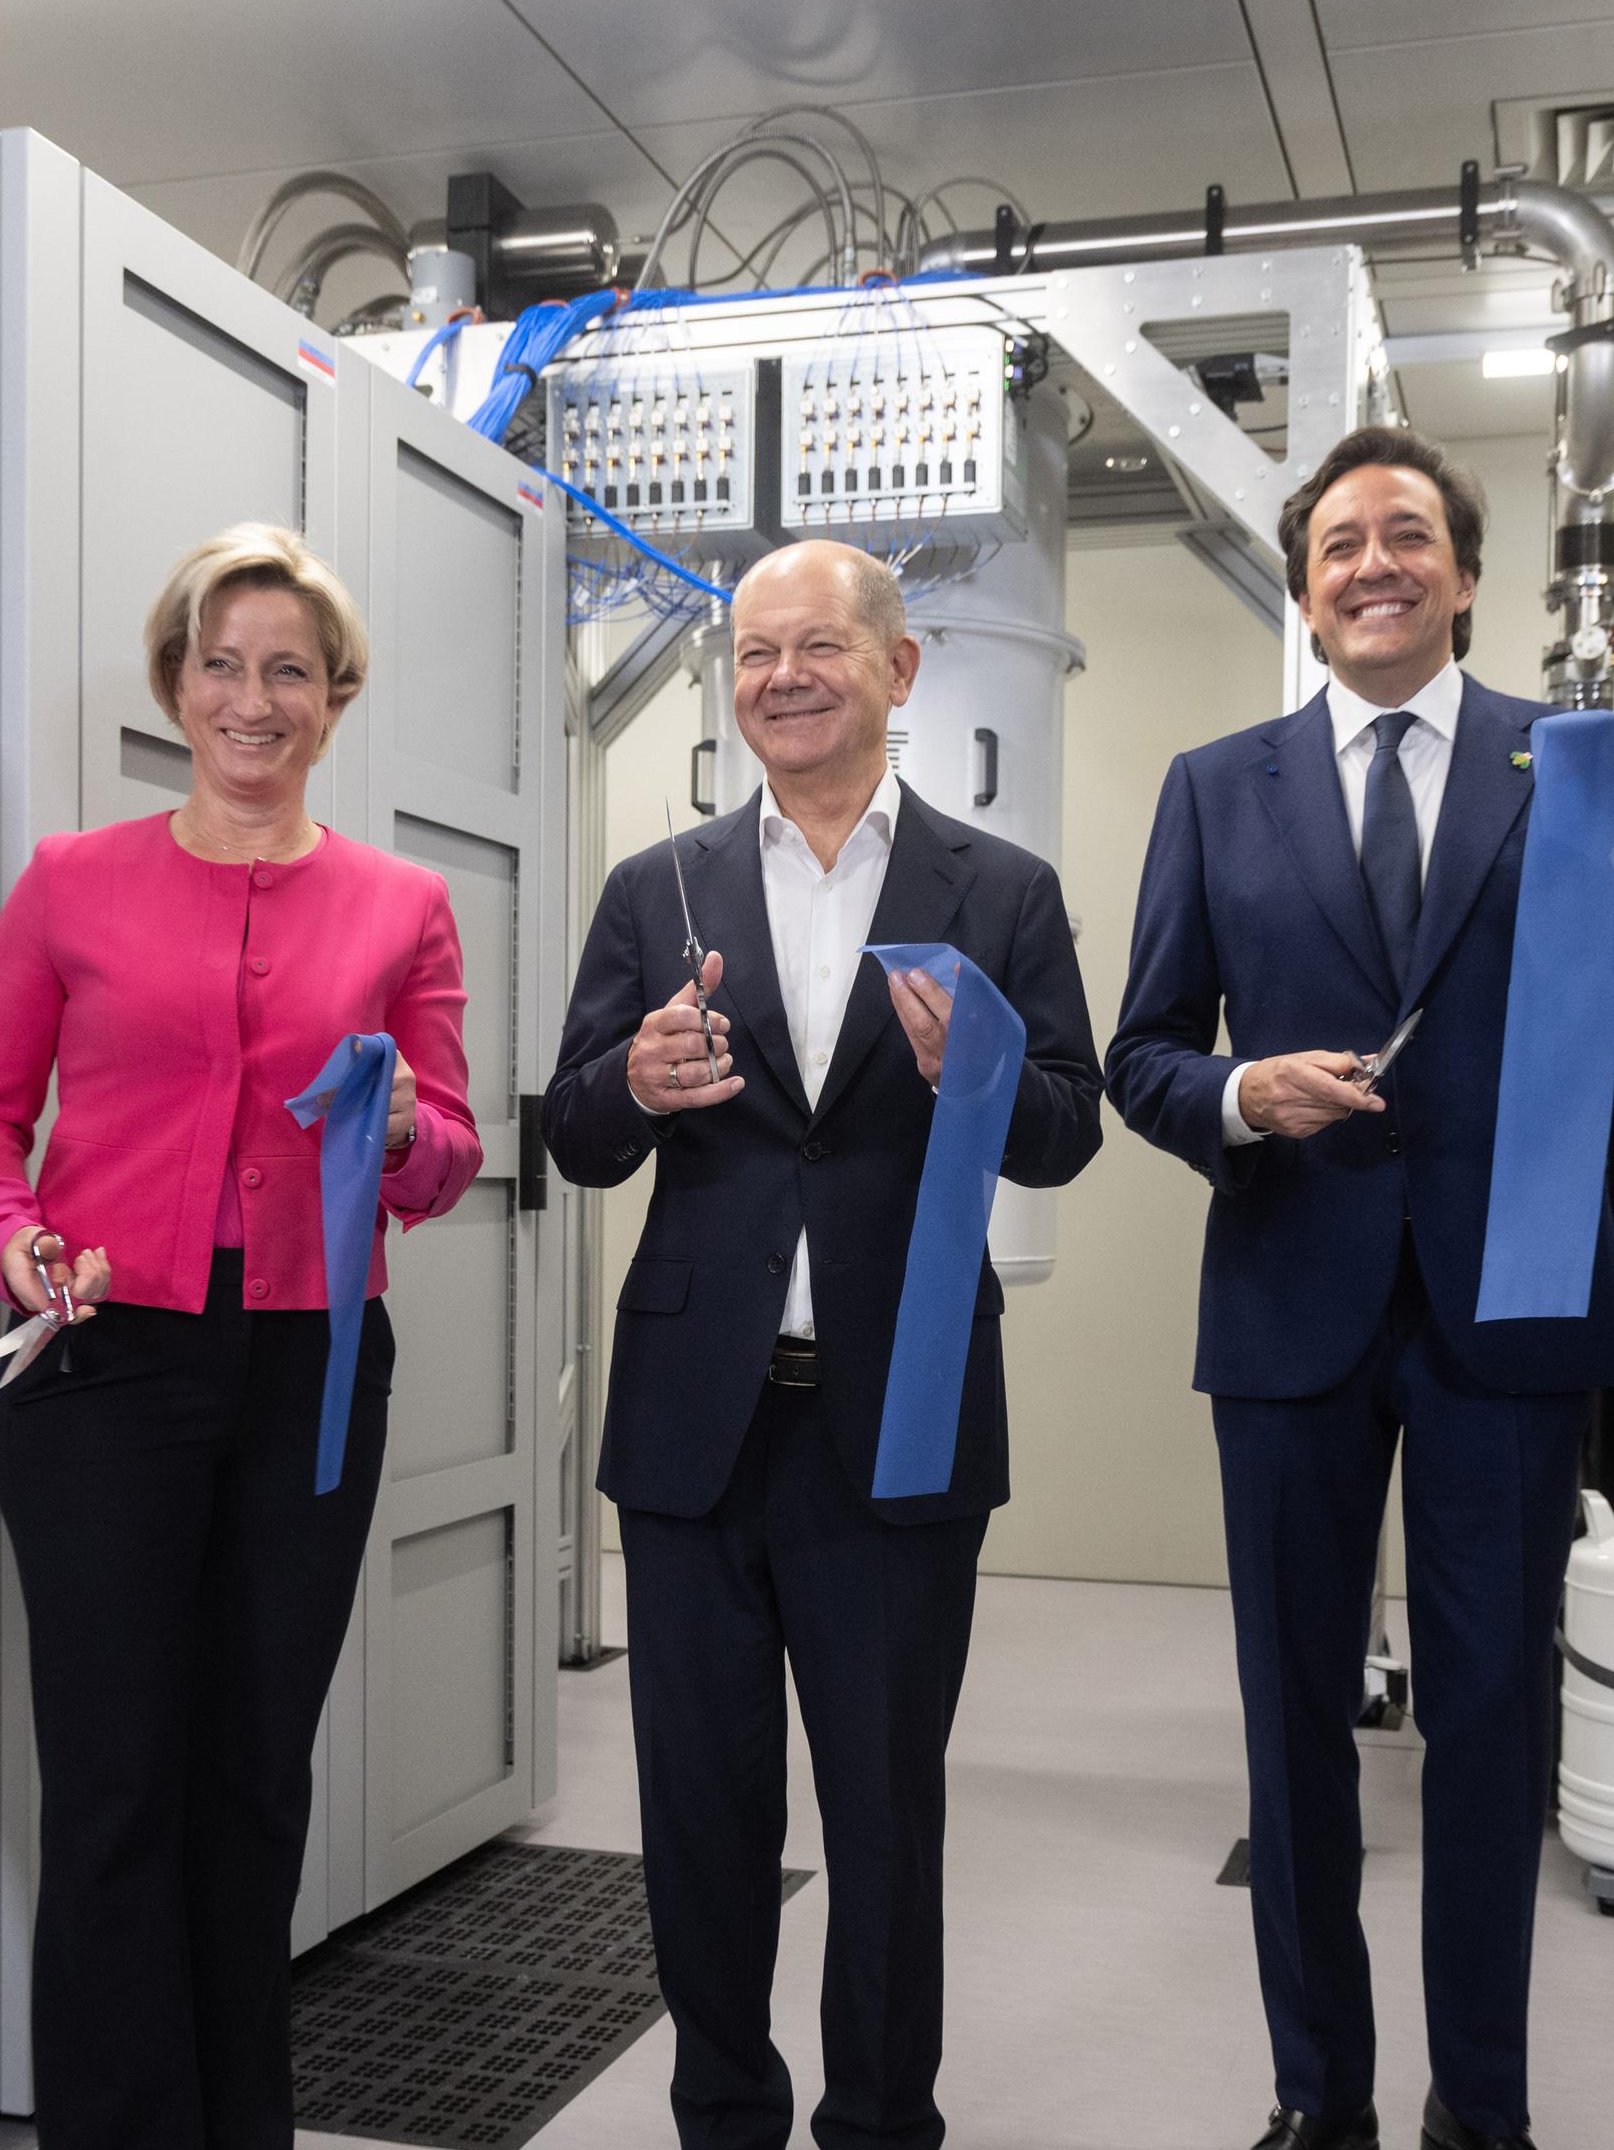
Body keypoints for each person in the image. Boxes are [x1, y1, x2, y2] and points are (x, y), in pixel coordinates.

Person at [1105, 427, 1614, 2150]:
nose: (1371, 564)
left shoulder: (1571, 765)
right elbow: (1140, 1053)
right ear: (1302, 594)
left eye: (1407, 537)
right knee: (1292, 1734)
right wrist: (1243, 1095)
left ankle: (1484, 2113)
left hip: (1504, 1319)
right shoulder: (1220, 787)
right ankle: (1320, 2104)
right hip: (1291, 1309)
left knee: (1490, 1730)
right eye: (1337, 546)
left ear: (1462, 573)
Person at [545, 539, 1104, 2150]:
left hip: (901, 1419)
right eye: (757, 652)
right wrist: (634, 1083)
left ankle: (879, 2124)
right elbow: (578, 1133)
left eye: (819, 649)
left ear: (898, 669)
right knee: (701, 1822)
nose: (783, 676)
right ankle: (722, 2112)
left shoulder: (1000, 892)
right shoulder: (658, 890)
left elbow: (1066, 1133)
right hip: (694, 1429)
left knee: (881, 1815)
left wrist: (971, 1074)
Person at [0, 522, 475, 2149]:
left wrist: (397, 1130)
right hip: (101, 1365)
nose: (252, 699)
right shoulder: (70, 884)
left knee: (251, 1788)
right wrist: (9, 1237)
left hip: (309, 1370)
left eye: (288, 671)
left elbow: (444, 1149)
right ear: (175, 686)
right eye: (221, 665)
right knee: (111, 1794)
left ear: (335, 697)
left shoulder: (404, 906)